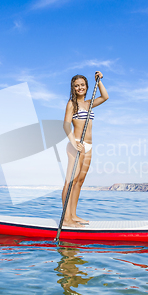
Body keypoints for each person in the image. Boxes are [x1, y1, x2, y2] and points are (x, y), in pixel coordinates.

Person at [61, 71, 109, 227]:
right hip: (76, 145)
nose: (79, 87)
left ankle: (73, 215)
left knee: (80, 182)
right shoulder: (72, 104)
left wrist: (99, 81)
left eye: (82, 85)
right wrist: (74, 143)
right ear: (73, 88)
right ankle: (66, 219)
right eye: (76, 86)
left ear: (87, 87)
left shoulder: (89, 103)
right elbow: (66, 125)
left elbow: (105, 97)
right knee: (71, 181)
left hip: (89, 146)